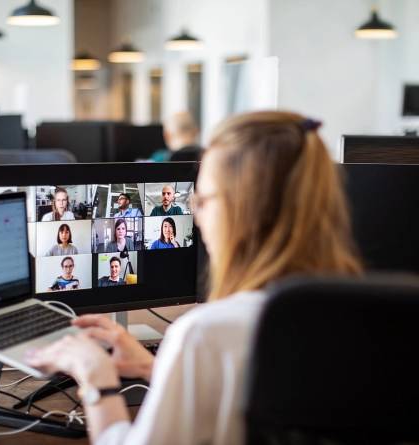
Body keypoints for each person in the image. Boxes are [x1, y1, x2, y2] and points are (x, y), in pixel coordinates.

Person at [26, 111, 362, 445]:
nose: (197, 217)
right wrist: (157, 368)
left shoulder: (207, 332)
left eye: (202, 200)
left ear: (241, 208)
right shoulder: (365, 315)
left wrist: (95, 374)